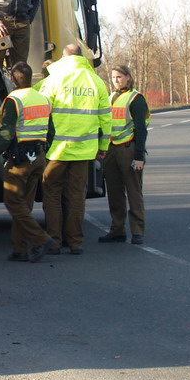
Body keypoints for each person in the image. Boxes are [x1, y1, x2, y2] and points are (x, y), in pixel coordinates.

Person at [38, 44, 111, 255]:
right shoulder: (96, 81)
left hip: (56, 151)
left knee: (51, 194)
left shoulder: (53, 80)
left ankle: (54, 241)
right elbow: (106, 118)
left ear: (63, 57)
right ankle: (76, 242)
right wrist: (103, 146)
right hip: (84, 150)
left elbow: (42, 113)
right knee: (76, 196)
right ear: (81, 57)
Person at [0, 62, 57, 263]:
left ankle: (41, 240)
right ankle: (20, 249)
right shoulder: (43, 99)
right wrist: (44, 149)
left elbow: (6, 132)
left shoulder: (14, 100)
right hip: (39, 157)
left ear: (14, 79)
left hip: (20, 159)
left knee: (12, 202)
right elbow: (51, 130)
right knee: (24, 205)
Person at [98, 64, 150, 245]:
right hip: (111, 148)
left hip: (128, 149)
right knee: (114, 192)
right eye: (113, 77)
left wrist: (139, 156)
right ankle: (117, 230)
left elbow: (141, 129)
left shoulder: (136, 99)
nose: (116, 80)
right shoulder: (111, 97)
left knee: (133, 191)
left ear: (128, 77)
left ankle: (137, 231)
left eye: (119, 77)